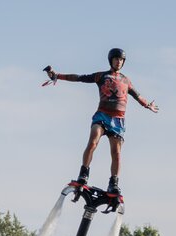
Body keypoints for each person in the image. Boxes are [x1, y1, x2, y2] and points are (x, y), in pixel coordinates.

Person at [46, 48, 158, 194]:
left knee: (116, 153)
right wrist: (57, 76)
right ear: (111, 60)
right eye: (116, 59)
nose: (119, 62)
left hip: (118, 120)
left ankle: (114, 183)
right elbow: (79, 77)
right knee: (93, 141)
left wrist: (147, 105)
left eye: (121, 60)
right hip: (102, 115)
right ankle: (84, 174)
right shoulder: (102, 76)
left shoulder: (126, 80)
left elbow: (137, 95)